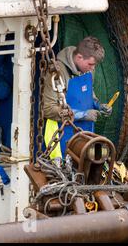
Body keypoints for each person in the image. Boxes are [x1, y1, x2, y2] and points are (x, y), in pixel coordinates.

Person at [42, 36, 112, 164]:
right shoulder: (57, 72)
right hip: (60, 137)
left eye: (94, 65)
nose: (92, 68)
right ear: (79, 57)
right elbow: (47, 109)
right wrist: (83, 115)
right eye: (90, 64)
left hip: (84, 135)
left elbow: (91, 95)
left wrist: (99, 105)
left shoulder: (86, 70)